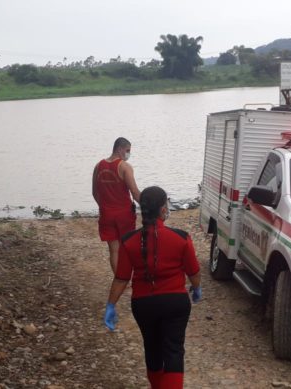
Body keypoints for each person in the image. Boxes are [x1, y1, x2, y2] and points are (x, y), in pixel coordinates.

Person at [103, 186, 202, 389]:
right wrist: (196, 288)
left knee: (152, 348)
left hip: (143, 304)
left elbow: (121, 278)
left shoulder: (129, 241)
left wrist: (111, 305)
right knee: (173, 350)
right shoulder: (181, 238)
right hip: (175, 302)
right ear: (163, 209)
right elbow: (194, 272)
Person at [92, 137, 141, 274]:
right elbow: (135, 193)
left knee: (113, 249)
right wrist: (150, 206)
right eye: (128, 150)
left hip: (106, 214)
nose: (128, 154)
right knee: (127, 247)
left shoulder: (98, 166)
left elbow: (94, 192)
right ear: (120, 149)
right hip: (124, 214)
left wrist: (104, 206)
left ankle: (119, 278)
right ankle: (128, 276)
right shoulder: (125, 167)